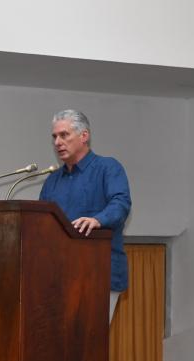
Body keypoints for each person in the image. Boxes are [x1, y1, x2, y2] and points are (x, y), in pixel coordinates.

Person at [39, 109, 131, 322]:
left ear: (84, 136)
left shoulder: (108, 168)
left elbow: (121, 204)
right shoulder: (52, 180)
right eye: (55, 137)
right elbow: (42, 223)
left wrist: (98, 220)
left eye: (64, 135)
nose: (58, 142)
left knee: (91, 340)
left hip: (98, 274)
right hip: (58, 276)